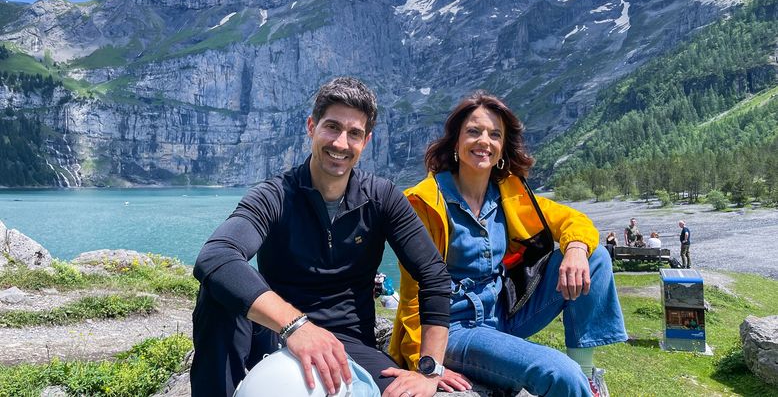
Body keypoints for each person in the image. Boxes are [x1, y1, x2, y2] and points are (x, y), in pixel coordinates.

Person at [191, 77, 455, 397]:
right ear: (311, 126)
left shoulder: (381, 198)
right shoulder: (275, 195)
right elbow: (216, 256)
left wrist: (429, 370)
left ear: (366, 141)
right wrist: (296, 326)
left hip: (350, 345)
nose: (341, 143)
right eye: (332, 127)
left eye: (354, 133)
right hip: (276, 334)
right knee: (217, 291)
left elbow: (434, 275)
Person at [389, 91, 627, 397]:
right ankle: (575, 376)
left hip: (505, 314)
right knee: (558, 372)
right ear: (456, 144)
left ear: (501, 149)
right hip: (454, 331)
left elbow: (575, 221)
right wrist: (427, 363)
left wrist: (576, 249)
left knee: (593, 256)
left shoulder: (508, 194)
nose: (484, 141)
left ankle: (587, 371)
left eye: (494, 134)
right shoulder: (426, 203)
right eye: (473, 132)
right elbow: (413, 293)